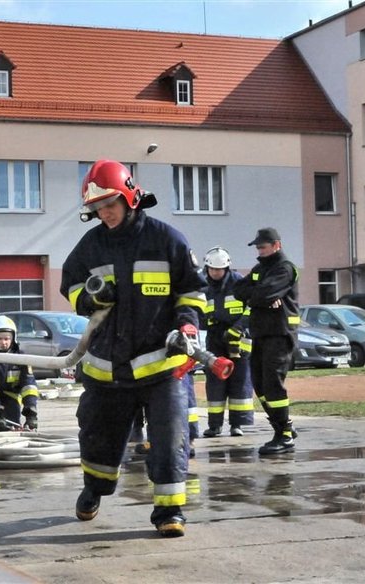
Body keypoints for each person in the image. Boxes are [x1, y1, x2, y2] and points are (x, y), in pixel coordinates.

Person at [60, 159, 206, 538]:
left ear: (129, 198)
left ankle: (169, 511)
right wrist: (88, 299)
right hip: (107, 366)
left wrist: (188, 324)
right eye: (97, 207)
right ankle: (95, 489)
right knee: (97, 436)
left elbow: (191, 291)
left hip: (161, 364)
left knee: (170, 437)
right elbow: (70, 284)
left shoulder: (167, 240)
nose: (104, 213)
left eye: (110, 204)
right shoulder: (90, 245)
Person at [232, 227, 299, 456]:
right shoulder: (260, 269)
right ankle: (283, 424)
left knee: (272, 383)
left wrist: (260, 296)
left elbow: (265, 293)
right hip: (260, 333)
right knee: (259, 384)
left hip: (280, 333)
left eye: (262, 247)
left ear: (276, 245)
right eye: (257, 247)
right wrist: (260, 296)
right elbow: (238, 289)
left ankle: (284, 435)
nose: (259, 251)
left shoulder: (285, 268)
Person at [200, 246, 255, 438]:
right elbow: (197, 312)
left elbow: (252, 307)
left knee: (239, 382)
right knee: (215, 382)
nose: (216, 272)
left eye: (220, 269)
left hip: (238, 338)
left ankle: (237, 424)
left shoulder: (239, 282)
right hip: (215, 338)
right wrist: (205, 322)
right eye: (212, 269)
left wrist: (239, 327)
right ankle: (214, 425)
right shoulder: (202, 285)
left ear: (227, 268)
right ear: (207, 268)